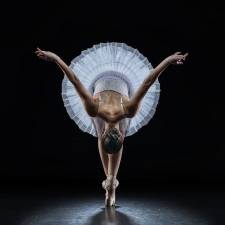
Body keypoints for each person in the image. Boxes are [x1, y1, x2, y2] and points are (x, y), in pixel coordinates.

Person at [35, 42, 188, 207]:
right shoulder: (98, 109)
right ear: (121, 135)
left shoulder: (127, 110)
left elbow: (148, 81)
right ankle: (111, 184)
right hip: (115, 80)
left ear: (120, 135)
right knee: (100, 128)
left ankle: (110, 184)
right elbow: (74, 79)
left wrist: (168, 60)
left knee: (99, 129)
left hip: (101, 78)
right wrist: (55, 58)